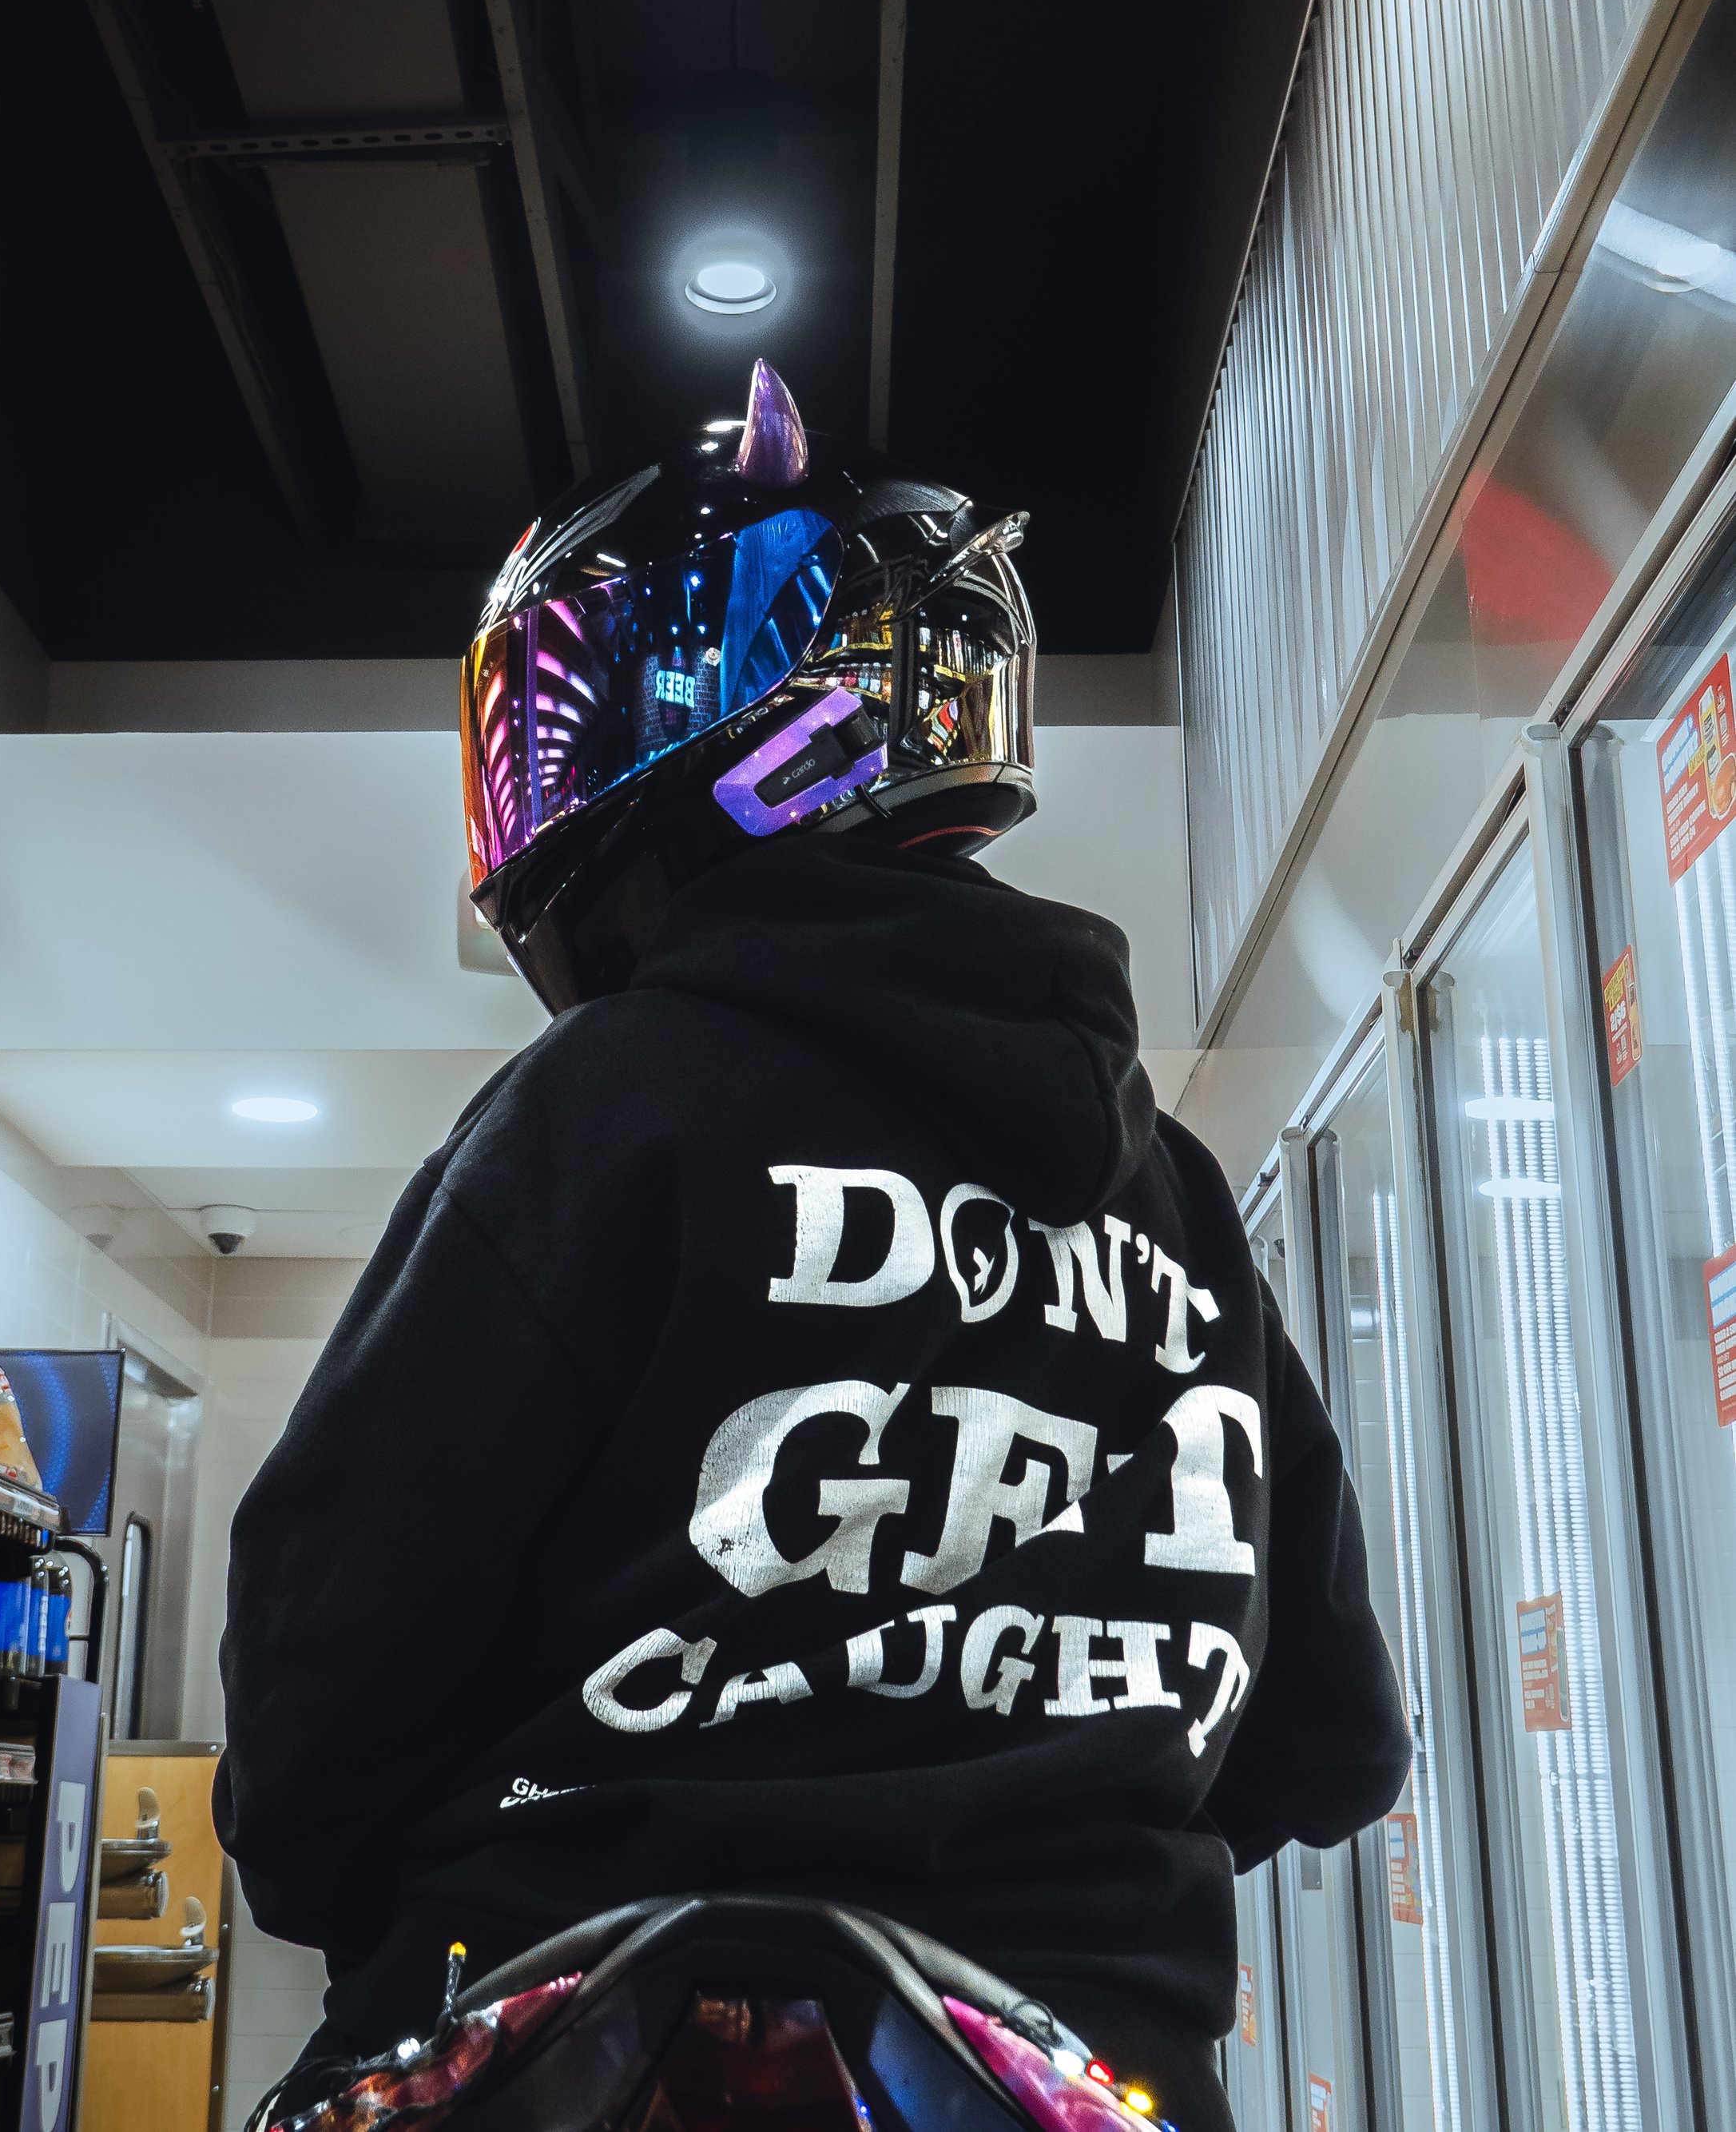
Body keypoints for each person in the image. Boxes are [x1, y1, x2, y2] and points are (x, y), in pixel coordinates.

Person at [213, 361, 1411, 2131]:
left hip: (591, 2052)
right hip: (1092, 2076)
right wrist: (1036, 1876)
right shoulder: (1174, 1204)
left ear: (687, 725)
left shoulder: (602, 1109)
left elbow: (321, 1705)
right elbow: (1333, 1741)